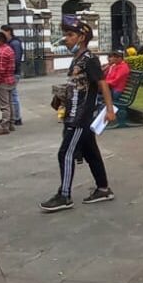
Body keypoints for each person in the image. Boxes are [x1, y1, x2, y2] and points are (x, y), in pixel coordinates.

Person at [40, 21, 117, 213]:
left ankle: (64, 195)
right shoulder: (78, 58)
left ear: (81, 37)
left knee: (65, 153)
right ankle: (103, 188)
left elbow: (102, 84)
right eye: (66, 35)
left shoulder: (89, 59)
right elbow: (77, 85)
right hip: (73, 112)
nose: (66, 39)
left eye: (70, 35)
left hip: (80, 116)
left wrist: (109, 110)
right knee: (91, 152)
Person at [0, 33, 18, 137]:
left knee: (4, 106)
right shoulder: (9, 49)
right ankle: (11, 124)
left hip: (3, 82)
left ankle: (4, 126)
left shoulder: (1, 52)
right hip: (10, 79)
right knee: (10, 103)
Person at [0, 24, 25, 125]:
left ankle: (16, 117)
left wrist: (9, 69)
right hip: (10, 72)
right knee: (7, 96)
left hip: (13, 73)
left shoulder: (14, 43)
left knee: (13, 95)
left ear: (8, 31)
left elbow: (17, 59)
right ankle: (9, 116)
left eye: (2, 32)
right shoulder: (8, 43)